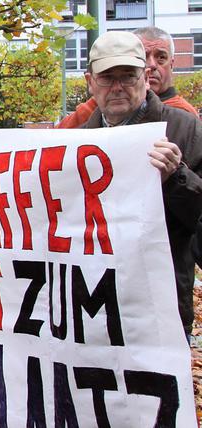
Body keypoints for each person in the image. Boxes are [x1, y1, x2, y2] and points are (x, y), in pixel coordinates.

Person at [79, 31, 202, 337]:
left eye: (128, 76)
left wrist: (176, 178)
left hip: (161, 312)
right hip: (92, 311)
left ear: (145, 78)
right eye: (107, 77)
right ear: (90, 82)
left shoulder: (186, 130)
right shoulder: (74, 140)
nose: (117, 87)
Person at [59, 27, 199, 128]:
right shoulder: (94, 110)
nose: (152, 64)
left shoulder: (186, 122)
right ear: (90, 82)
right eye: (107, 78)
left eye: (161, 57)